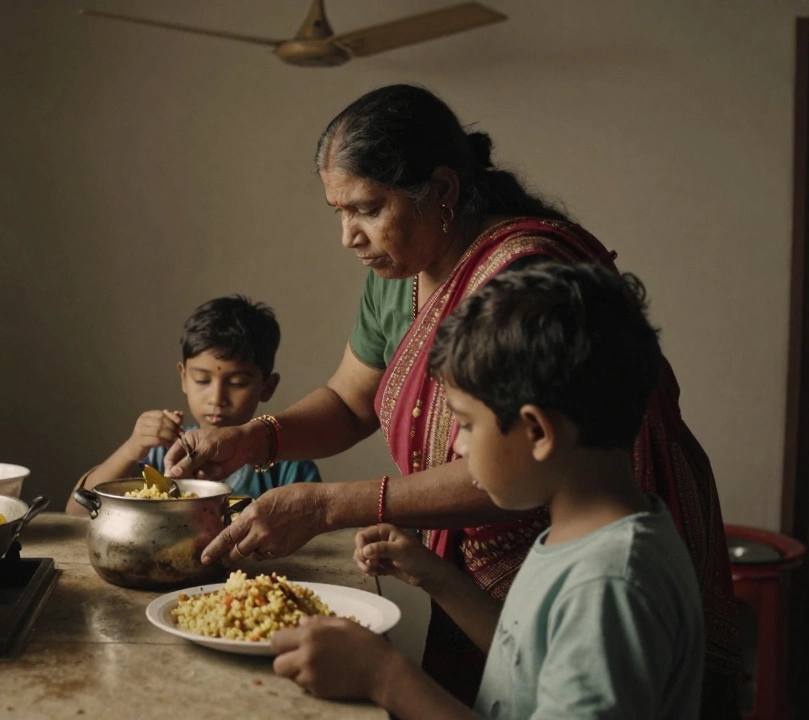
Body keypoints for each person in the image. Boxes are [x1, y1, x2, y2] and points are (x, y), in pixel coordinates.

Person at [163, 84, 739, 715]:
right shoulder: (398, 271)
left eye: (368, 208)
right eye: (338, 212)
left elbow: (515, 460)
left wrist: (331, 508)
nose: (349, 236)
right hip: (494, 583)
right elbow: (352, 401)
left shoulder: (524, 291)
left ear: (441, 190)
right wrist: (256, 438)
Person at [271, 260, 706, 719]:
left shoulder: (610, 585)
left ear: (537, 431)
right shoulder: (585, 535)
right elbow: (528, 660)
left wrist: (385, 677)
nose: (457, 445)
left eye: (465, 424)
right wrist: (437, 578)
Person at [65, 295, 320, 514]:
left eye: (238, 383)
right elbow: (77, 512)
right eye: (202, 380)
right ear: (184, 378)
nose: (217, 398)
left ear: (267, 387)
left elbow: (318, 536)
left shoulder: (289, 463)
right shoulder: (164, 455)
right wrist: (132, 448)